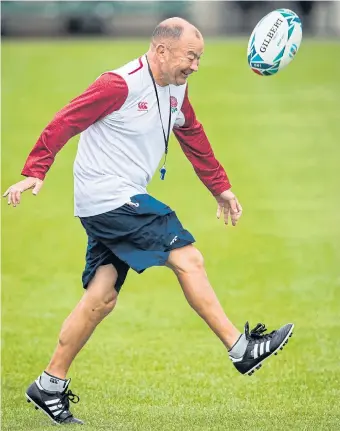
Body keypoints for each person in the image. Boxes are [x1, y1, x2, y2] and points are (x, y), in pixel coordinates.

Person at [3, 17, 294, 426]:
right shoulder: (118, 84)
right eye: (190, 56)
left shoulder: (176, 87)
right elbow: (65, 119)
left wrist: (220, 188)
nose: (194, 65)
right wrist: (36, 169)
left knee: (102, 296)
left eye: (199, 58)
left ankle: (48, 385)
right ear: (161, 51)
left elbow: (192, 133)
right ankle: (240, 349)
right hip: (109, 198)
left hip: (109, 202)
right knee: (187, 257)